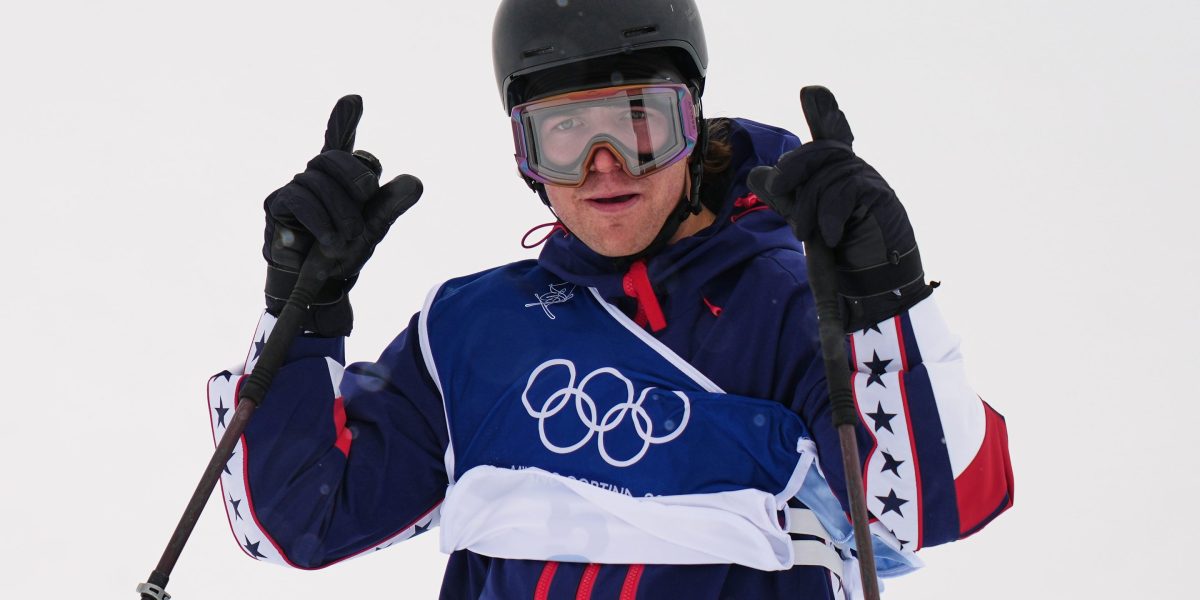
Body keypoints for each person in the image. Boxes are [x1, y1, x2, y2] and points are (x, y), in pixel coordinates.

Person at [205, 1, 1014, 598]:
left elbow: (937, 509)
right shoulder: (472, 329)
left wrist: (885, 300)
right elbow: (296, 520)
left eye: (640, 123)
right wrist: (300, 321)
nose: (604, 164)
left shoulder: (793, 307)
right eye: (565, 134)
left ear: (692, 122)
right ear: (527, 155)